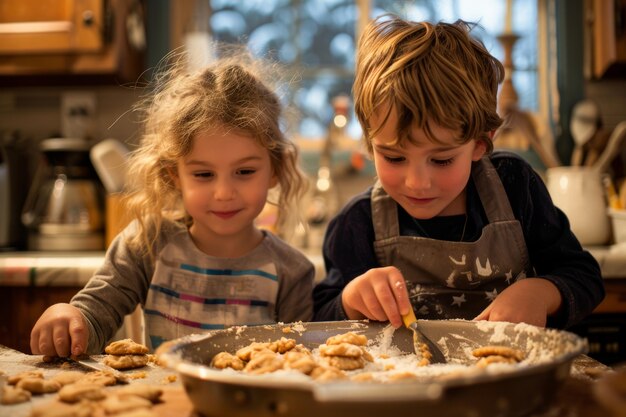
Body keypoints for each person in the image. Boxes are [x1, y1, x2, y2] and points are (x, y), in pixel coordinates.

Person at [313, 16, 604, 330]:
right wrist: (351, 299)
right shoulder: (358, 222)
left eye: (441, 160)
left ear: (480, 144)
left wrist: (542, 292)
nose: (417, 182)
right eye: (394, 158)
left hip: (512, 376)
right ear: (370, 145)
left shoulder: (513, 186)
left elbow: (583, 276)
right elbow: (320, 316)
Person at [31, 49, 315, 356]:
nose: (223, 192)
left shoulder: (291, 272)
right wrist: (71, 318)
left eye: (244, 172)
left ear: (275, 170)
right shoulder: (146, 245)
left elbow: (297, 364)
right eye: (204, 174)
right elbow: (95, 315)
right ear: (174, 176)